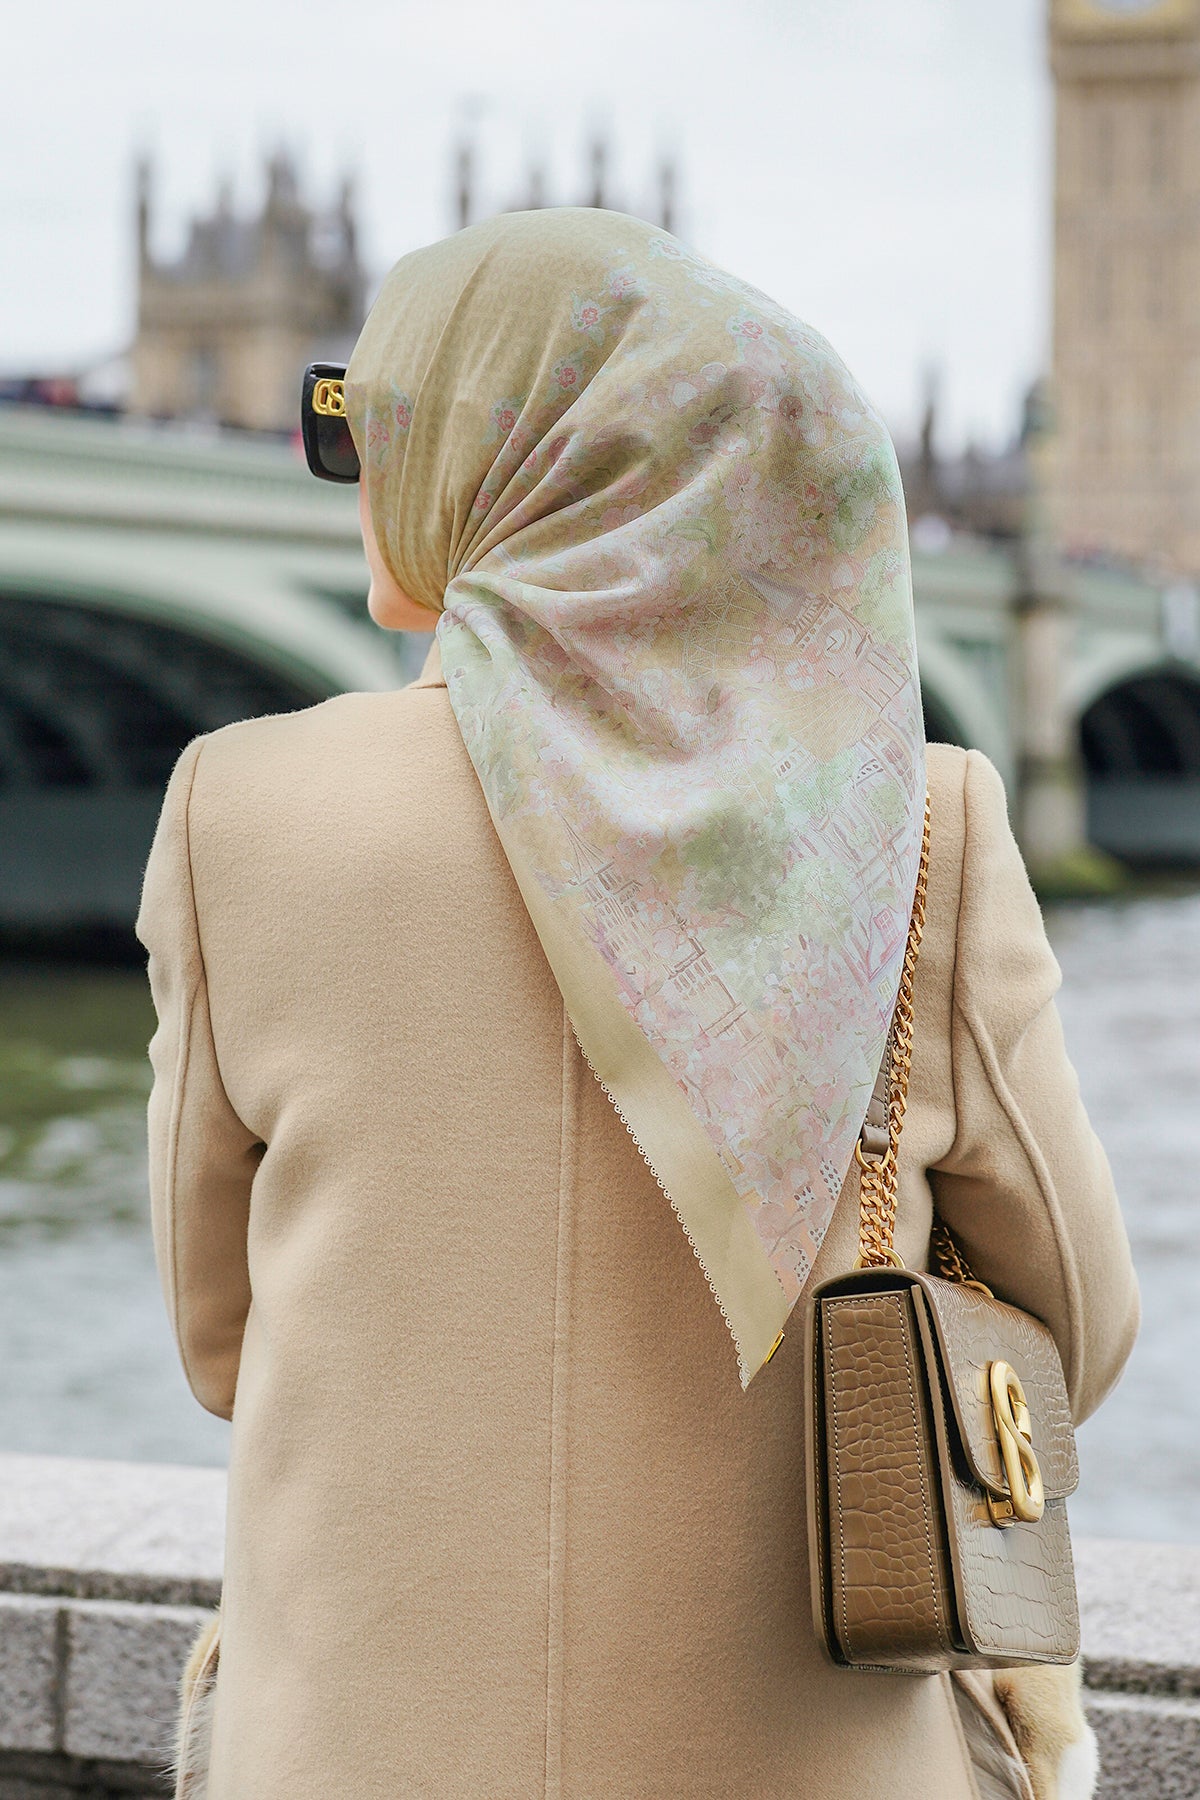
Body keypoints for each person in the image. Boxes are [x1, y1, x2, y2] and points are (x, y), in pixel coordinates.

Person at [137, 207, 1138, 1799]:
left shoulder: (235, 813)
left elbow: (218, 1339)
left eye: (367, 427)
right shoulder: (923, 822)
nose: (354, 473)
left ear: (491, 466)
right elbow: (1074, 1324)